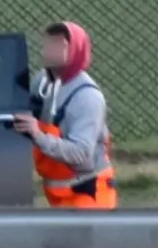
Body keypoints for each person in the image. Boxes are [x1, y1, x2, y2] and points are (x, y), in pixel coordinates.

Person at [12, 22, 117, 209]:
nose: (48, 51)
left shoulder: (87, 97)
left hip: (88, 195)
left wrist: (38, 135)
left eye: (59, 45)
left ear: (76, 50)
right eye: (48, 44)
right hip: (59, 196)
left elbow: (80, 153)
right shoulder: (42, 82)